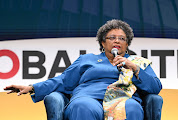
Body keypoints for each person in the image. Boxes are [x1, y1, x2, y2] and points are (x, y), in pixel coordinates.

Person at [4, 19, 162, 120]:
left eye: (122, 38)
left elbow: (155, 88)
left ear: (127, 44)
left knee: (131, 108)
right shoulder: (87, 60)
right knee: (82, 107)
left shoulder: (137, 63)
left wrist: (134, 68)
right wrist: (32, 87)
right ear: (102, 42)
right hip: (89, 98)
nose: (117, 41)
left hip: (124, 101)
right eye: (112, 37)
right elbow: (63, 81)